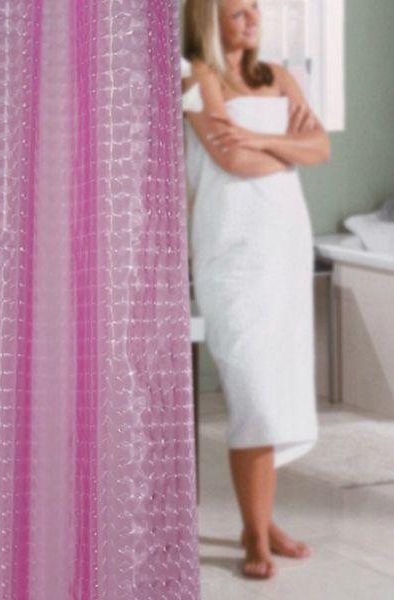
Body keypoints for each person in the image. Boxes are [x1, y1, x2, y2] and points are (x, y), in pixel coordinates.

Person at [181, 0, 331, 579]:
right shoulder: (195, 77)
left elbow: (321, 148)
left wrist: (258, 138)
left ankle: (260, 523)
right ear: (207, 18)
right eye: (236, 12)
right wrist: (285, 146)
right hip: (233, 251)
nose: (251, 19)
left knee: (281, 386)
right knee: (254, 391)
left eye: (254, 10)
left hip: (284, 243)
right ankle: (254, 530)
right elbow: (231, 158)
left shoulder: (280, 77)